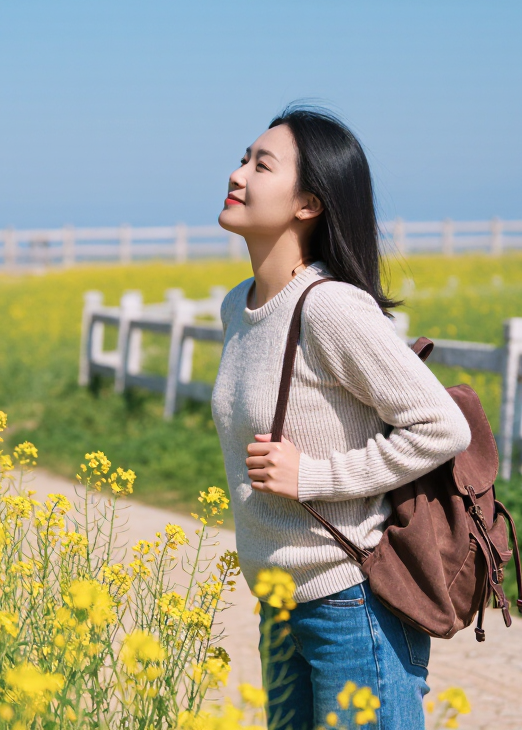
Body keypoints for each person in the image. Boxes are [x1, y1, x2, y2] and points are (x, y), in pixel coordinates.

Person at [211, 105, 472, 730]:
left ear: (308, 203)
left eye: (260, 163)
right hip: (279, 603)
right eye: (244, 156)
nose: (237, 172)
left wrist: (315, 478)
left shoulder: (331, 307)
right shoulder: (236, 308)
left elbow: (441, 426)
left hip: (350, 602)